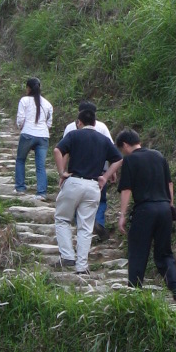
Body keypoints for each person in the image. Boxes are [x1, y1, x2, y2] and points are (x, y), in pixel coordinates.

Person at [111, 129, 176, 306]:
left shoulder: (130, 160)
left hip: (145, 210)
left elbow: (127, 189)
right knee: (164, 254)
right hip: (164, 208)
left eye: (122, 150)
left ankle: (134, 293)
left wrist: (122, 215)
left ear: (125, 145)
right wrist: (170, 205)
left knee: (138, 252)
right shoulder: (159, 156)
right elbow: (169, 183)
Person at [53, 107, 121, 275]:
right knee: (86, 227)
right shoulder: (103, 139)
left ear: (79, 122)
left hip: (74, 182)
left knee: (62, 219)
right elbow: (118, 159)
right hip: (93, 187)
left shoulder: (74, 135)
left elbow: (57, 150)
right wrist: (105, 177)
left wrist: (62, 172)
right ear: (95, 123)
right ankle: (81, 266)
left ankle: (68, 255)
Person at [61, 102, 114, 237]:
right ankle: (99, 223)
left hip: (77, 171)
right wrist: (111, 173)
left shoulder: (71, 128)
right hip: (100, 170)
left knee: (78, 201)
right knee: (101, 199)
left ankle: (82, 228)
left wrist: (62, 172)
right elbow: (111, 149)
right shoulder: (101, 126)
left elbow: (64, 152)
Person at [14, 77, 52, 197]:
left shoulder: (24, 101)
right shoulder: (47, 104)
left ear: (28, 88)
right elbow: (49, 123)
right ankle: (41, 192)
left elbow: (20, 119)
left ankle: (20, 187)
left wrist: (22, 128)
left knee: (21, 160)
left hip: (28, 134)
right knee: (40, 165)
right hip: (43, 136)